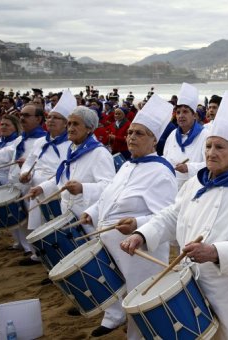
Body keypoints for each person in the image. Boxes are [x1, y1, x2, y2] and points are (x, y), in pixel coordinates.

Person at [120, 92, 228, 340]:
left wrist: (215, 252)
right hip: (192, 287)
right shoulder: (194, 185)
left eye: (219, 147)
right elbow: (171, 216)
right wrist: (142, 234)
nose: (211, 152)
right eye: (208, 146)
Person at [82, 94, 177, 338]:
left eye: (139, 133)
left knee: (141, 303)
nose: (131, 137)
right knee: (121, 296)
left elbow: (167, 217)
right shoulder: (126, 164)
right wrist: (91, 213)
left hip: (140, 254)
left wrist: (138, 225)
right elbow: (109, 197)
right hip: (114, 248)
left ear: (154, 140)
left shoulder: (161, 172)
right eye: (130, 133)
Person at [29, 106, 115, 235]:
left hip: (88, 220)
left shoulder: (99, 153)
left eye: (75, 124)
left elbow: (110, 188)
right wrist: (42, 188)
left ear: (89, 128)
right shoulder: (73, 149)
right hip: (69, 216)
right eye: (69, 124)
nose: (70, 128)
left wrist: (83, 188)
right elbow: (64, 179)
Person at [0, 104, 46, 258]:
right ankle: (29, 249)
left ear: (38, 119)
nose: (22, 118)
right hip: (17, 185)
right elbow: (8, 152)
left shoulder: (43, 140)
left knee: (34, 221)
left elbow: (45, 164)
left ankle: (38, 253)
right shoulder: (21, 138)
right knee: (22, 221)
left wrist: (29, 168)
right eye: (21, 115)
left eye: (26, 115)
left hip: (32, 187)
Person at [18, 89, 74, 265]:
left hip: (57, 193)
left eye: (55, 118)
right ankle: (45, 262)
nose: (50, 120)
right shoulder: (40, 142)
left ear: (66, 123)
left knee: (58, 232)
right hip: (36, 192)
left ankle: (60, 264)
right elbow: (30, 161)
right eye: (49, 117)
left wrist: (45, 185)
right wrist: (24, 173)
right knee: (40, 230)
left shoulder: (71, 144)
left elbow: (67, 170)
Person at [163, 83, 208, 189]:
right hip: (171, 185)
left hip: (194, 186)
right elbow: (166, 157)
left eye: (185, 112)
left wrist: (189, 168)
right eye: (178, 112)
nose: (181, 116)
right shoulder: (173, 134)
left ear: (194, 115)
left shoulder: (205, 135)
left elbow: (210, 164)